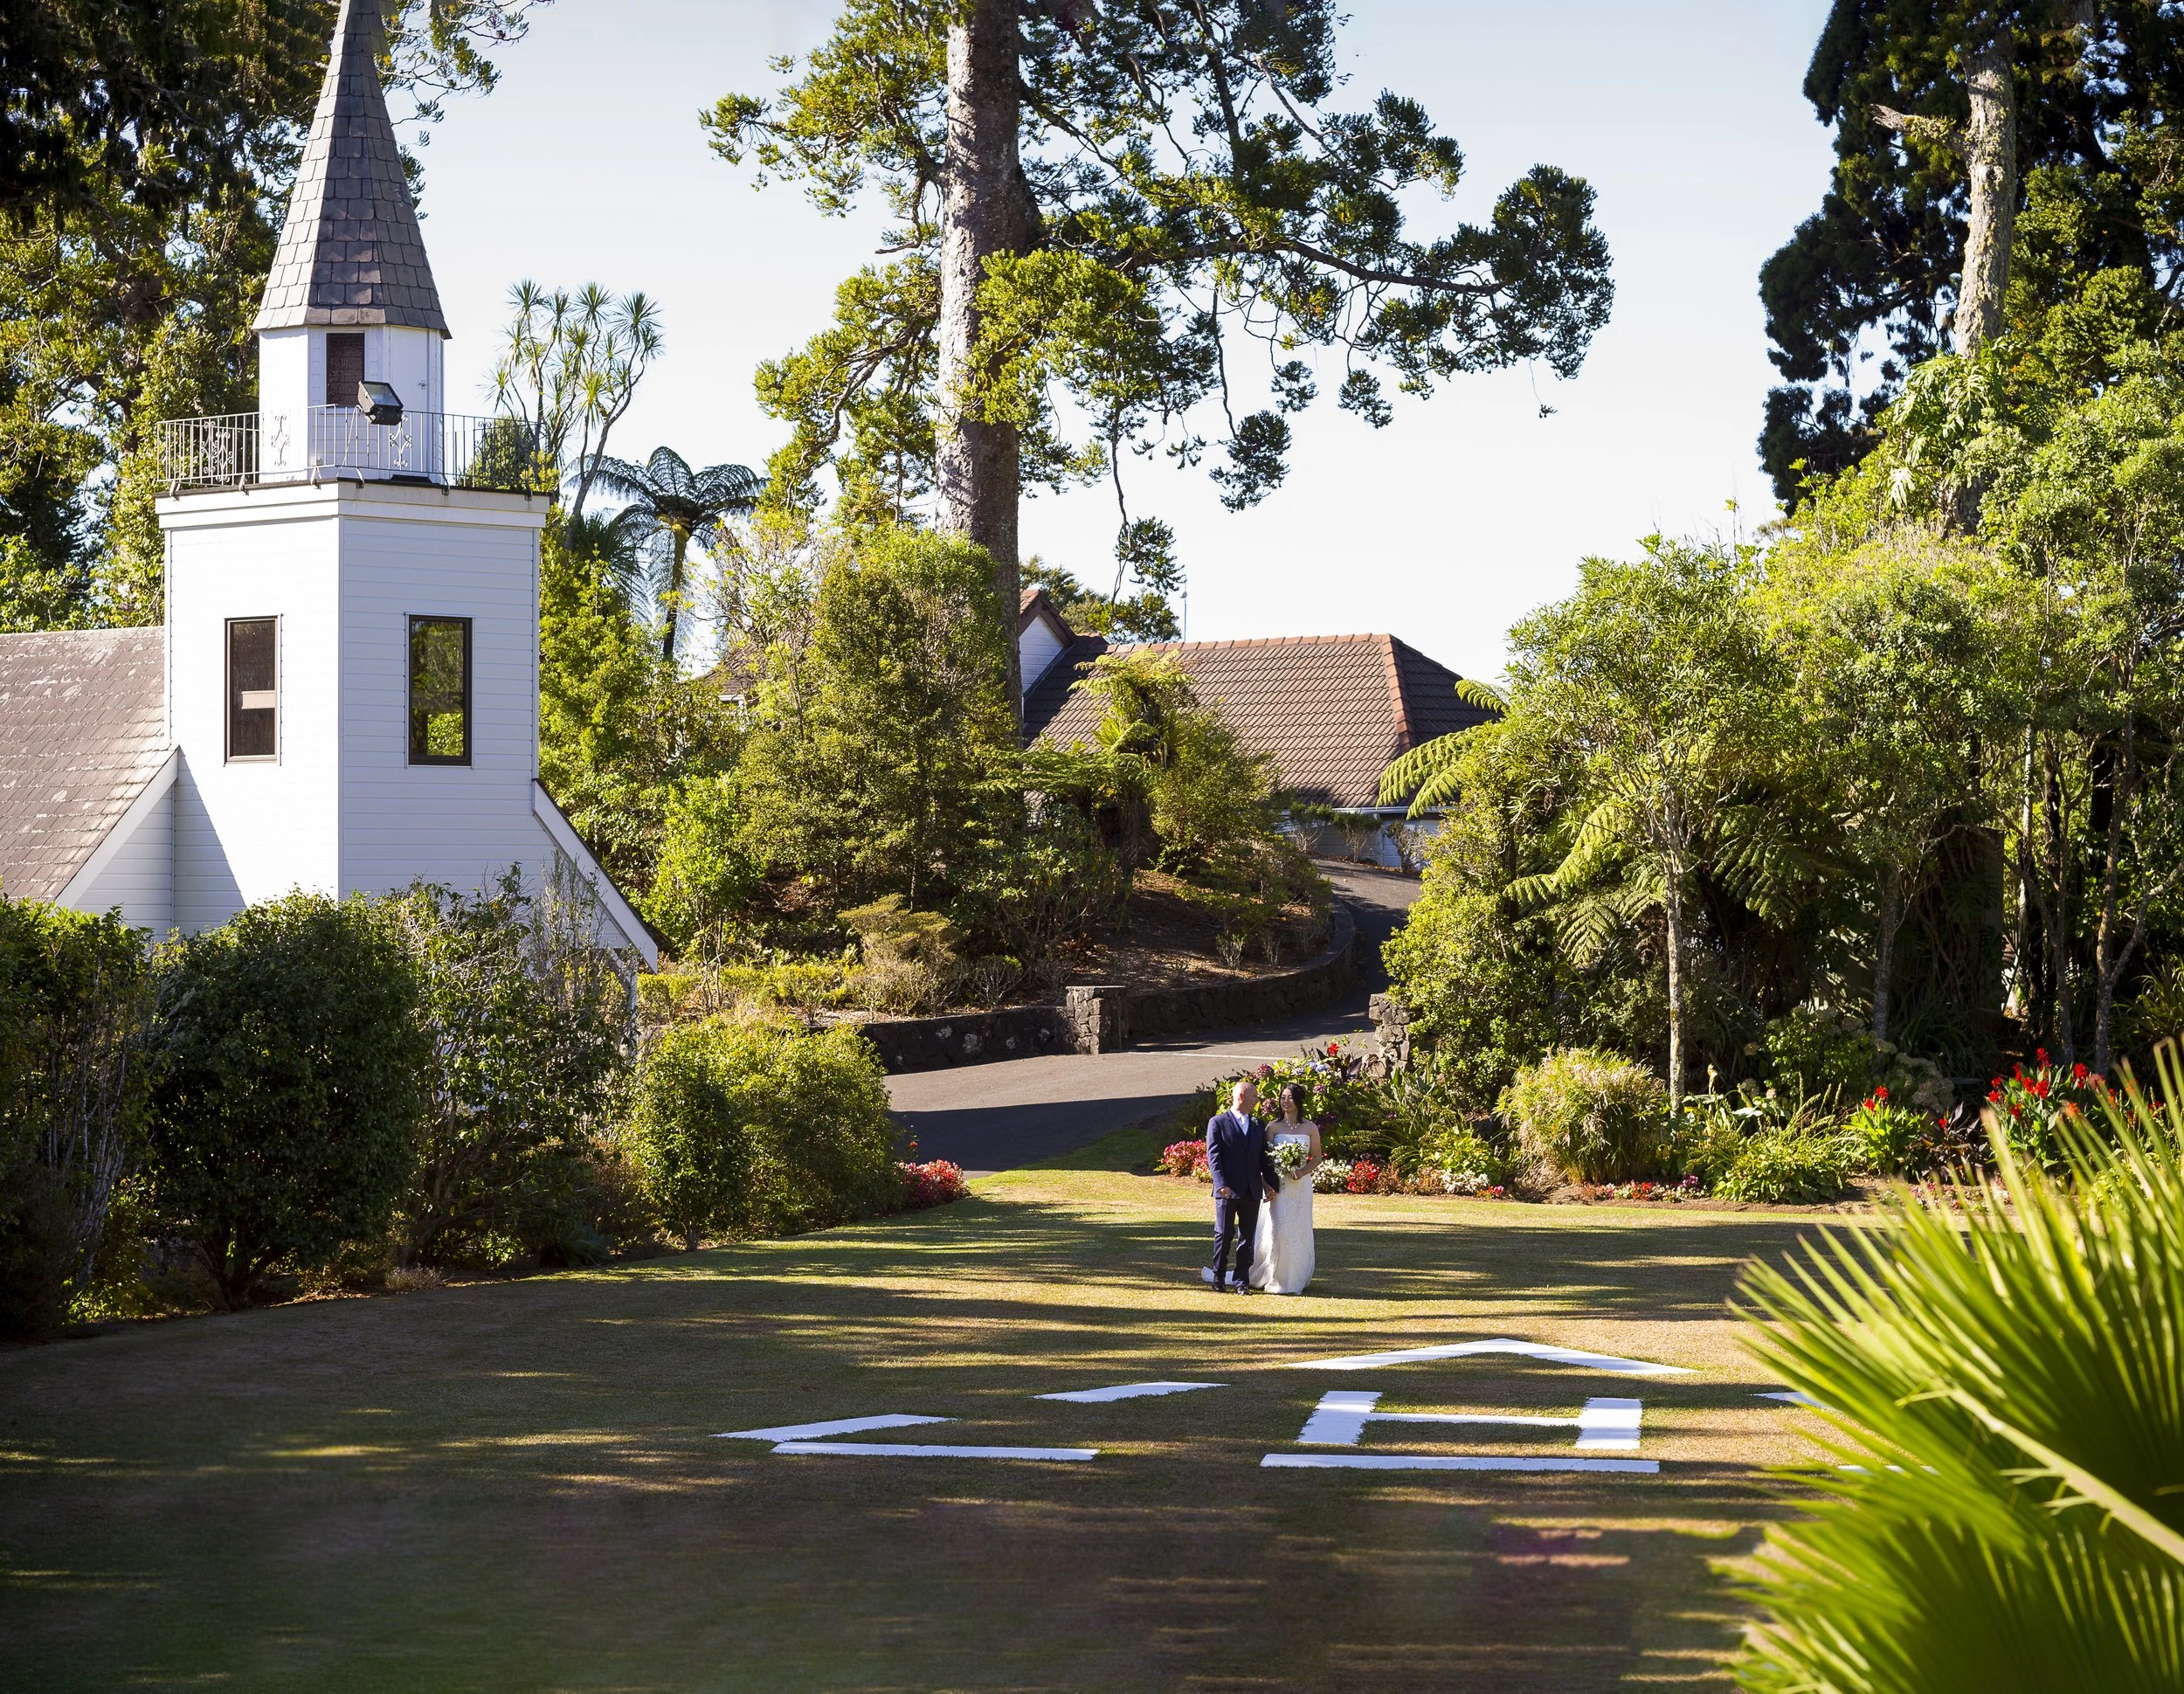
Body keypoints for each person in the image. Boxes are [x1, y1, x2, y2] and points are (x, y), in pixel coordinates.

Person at [1202, 1079, 1280, 1292]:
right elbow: (1214, 1157)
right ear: (1241, 1097)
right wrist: (1221, 1184)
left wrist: (1270, 1184)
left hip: (1252, 1189)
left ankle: (1241, 1281)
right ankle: (1218, 1277)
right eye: (1254, 1097)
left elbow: (1263, 1158)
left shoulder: (1257, 1124)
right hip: (1227, 1190)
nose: (1257, 1100)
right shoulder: (1218, 1123)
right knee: (1224, 1234)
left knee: (1247, 1238)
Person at [1250, 1082, 1321, 1293]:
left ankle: (1295, 1276)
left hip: (1300, 1186)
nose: (1285, 1101)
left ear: (1298, 1101)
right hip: (1278, 1184)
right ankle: (1273, 1274)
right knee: (1277, 1227)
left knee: (1298, 1228)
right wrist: (1268, 1182)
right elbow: (1265, 1158)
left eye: (1290, 1097)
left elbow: (1316, 1157)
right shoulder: (1272, 1127)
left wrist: (1302, 1171)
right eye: (1283, 1097)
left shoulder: (1309, 1127)